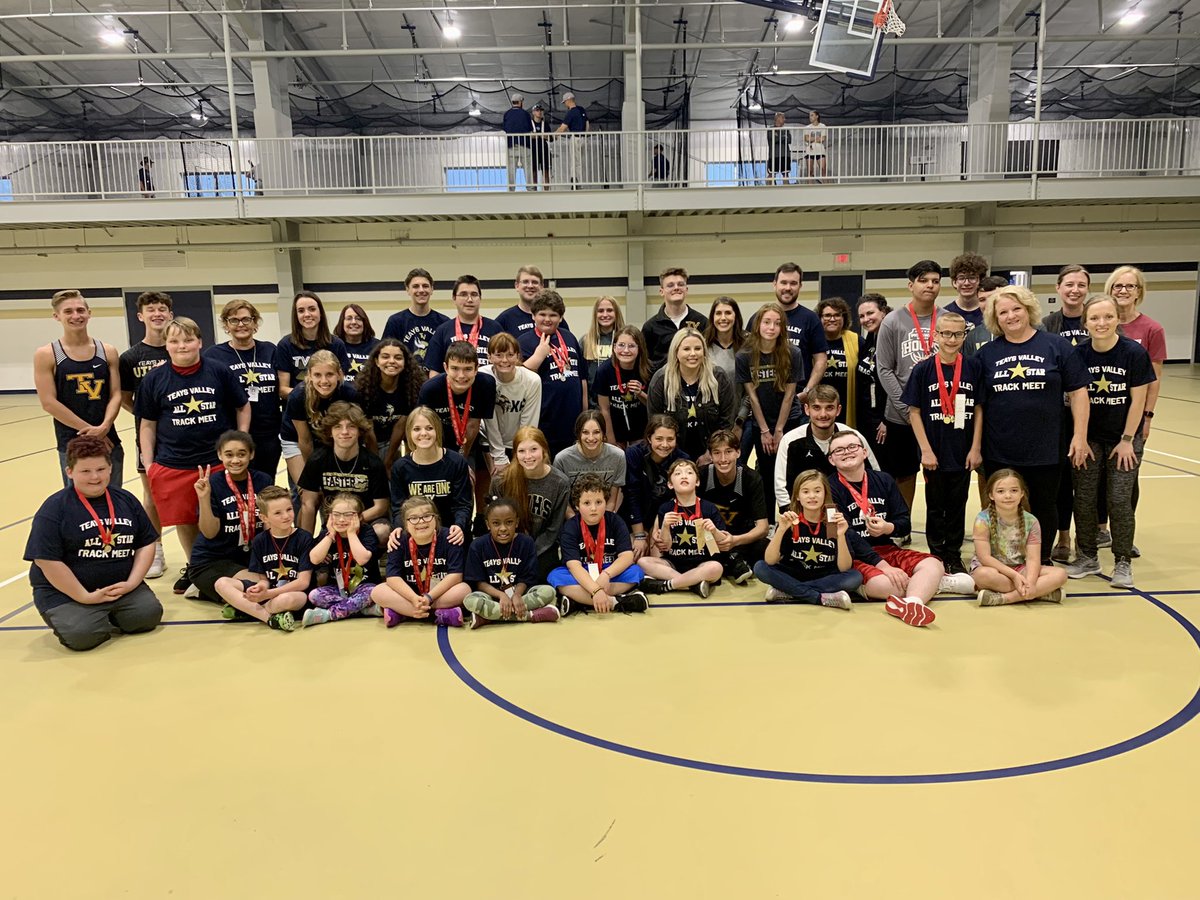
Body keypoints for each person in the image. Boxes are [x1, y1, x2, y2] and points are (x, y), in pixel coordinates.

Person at [976, 285, 1091, 565]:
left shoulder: (1056, 346)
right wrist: (976, 446)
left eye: (1016, 309)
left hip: (1046, 447)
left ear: (1028, 309)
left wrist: (1080, 436)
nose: (1011, 316)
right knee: (1004, 506)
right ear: (995, 319)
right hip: (1000, 448)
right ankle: (1005, 559)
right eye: (1003, 312)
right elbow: (979, 405)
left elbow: (1078, 392)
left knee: (1044, 505)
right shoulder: (986, 354)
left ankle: (1041, 560)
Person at [136, 317, 250, 595]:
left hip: (216, 461)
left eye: (188, 340)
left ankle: (226, 564)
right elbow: (147, 424)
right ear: (166, 345)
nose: (182, 346)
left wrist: (240, 442)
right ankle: (195, 566)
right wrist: (148, 463)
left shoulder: (218, 370)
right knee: (186, 520)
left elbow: (242, 406)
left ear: (199, 341)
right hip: (175, 462)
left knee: (223, 517)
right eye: (174, 341)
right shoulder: (154, 379)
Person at [24, 435, 162, 652]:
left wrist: (132, 583)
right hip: (68, 594)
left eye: (101, 469)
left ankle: (109, 613)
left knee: (146, 617)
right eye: (85, 471)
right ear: (70, 472)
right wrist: (84, 597)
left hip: (120, 586)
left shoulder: (125, 499)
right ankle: (90, 616)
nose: (95, 477)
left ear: (110, 468)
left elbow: (146, 543)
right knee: (83, 636)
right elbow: (46, 560)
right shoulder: (54, 508)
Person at [826, 431, 969, 628]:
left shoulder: (884, 480)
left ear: (864, 452)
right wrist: (883, 566)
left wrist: (888, 528)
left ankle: (912, 604)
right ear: (831, 459)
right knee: (884, 585)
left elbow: (904, 522)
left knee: (934, 563)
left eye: (852, 447)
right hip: (853, 557)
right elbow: (840, 534)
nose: (847, 452)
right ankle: (933, 584)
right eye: (839, 450)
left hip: (888, 550)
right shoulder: (828, 488)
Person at [1063, 295, 1154, 589]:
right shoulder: (1078, 354)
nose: (1101, 323)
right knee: (1084, 497)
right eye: (1094, 318)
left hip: (1123, 438)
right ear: (1085, 323)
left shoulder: (1133, 353)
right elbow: (1075, 397)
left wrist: (1127, 440)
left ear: (1117, 319)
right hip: (1089, 439)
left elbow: (1138, 400)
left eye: (1108, 317)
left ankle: (1123, 560)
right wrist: (1080, 438)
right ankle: (1087, 555)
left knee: (1118, 499)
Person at [901, 311, 983, 575]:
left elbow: (979, 409)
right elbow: (914, 412)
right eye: (946, 333)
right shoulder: (923, 369)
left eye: (957, 334)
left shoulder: (973, 367)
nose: (951, 339)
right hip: (934, 452)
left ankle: (953, 555)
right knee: (935, 506)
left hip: (962, 451)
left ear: (964, 336)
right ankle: (936, 555)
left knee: (958, 505)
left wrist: (975, 448)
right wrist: (925, 450)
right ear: (936, 335)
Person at [35, 289, 124, 489]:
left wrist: (104, 427)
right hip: (71, 442)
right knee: (78, 499)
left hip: (109, 439)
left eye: (80, 310)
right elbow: (48, 402)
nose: (76, 316)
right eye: (68, 311)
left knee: (114, 495)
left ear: (89, 313)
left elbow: (116, 394)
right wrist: (92, 433)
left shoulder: (107, 351)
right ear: (56, 316)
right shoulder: (47, 354)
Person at [875, 259, 945, 513]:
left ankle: (937, 526)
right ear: (910, 285)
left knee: (937, 474)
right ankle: (902, 523)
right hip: (901, 416)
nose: (930, 285)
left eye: (935, 281)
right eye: (923, 280)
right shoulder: (892, 321)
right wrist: (906, 407)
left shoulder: (947, 320)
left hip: (938, 413)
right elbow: (884, 369)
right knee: (903, 475)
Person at [1106, 264, 1166, 554]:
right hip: (1103, 413)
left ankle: (1124, 537)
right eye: (1118, 285)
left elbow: (1154, 379)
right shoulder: (1102, 322)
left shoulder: (1151, 329)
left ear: (1139, 291)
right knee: (1097, 481)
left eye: (1130, 286)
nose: (1123, 290)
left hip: (1132, 417)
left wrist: (1148, 417)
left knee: (1127, 477)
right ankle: (1100, 530)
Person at [119, 290, 172, 577]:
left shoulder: (179, 348)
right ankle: (155, 550)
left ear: (170, 314)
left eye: (162, 309)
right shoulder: (131, 357)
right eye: (151, 310)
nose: (157, 314)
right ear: (141, 316)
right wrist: (148, 417)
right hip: (149, 436)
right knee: (151, 493)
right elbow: (125, 398)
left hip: (185, 432)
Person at [187, 430, 274, 606]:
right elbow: (209, 533)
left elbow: (269, 525)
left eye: (241, 454)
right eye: (229, 455)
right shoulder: (212, 483)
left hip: (248, 558)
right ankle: (212, 590)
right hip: (213, 561)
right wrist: (204, 498)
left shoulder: (263, 480)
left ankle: (222, 596)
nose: (235, 460)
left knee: (280, 580)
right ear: (220, 455)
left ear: (251, 454)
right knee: (262, 587)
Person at [754, 469, 863, 608]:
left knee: (855, 577)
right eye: (805, 492)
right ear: (797, 496)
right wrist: (781, 530)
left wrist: (841, 535)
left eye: (817, 491)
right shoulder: (791, 520)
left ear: (825, 494)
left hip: (825, 575)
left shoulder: (833, 520)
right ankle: (819, 598)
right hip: (794, 572)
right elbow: (770, 560)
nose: (812, 496)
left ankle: (789, 590)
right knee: (760, 567)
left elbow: (844, 568)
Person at [1042, 265, 1092, 560]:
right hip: (1057, 414)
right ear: (1058, 288)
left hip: (1090, 410)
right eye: (1069, 284)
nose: (1075, 290)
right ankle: (1062, 535)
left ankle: (1093, 535)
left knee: (1086, 482)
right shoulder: (1048, 324)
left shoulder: (1097, 317)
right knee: (1060, 482)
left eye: (1081, 285)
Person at [213, 485, 312, 632]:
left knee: (287, 599)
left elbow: (303, 582)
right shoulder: (260, 540)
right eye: (278, 513)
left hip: (293, 593)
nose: (286, 516)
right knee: (221, 583)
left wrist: (268, 594)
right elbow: (264, 579)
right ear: (264, 517)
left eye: (289, 509)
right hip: (270, 592)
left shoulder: (304, 538)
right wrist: (260, 587)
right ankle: (269, 618)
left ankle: (245, 610)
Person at [548, 473, 648, 615]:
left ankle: (579, 600)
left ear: (606, 502)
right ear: (577, 505)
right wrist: (596, 590)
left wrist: (606, 574)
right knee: (556, 576)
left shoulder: (615, 521)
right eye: (587, 503)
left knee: (636, 572)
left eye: (599, 502)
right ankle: (616, 602)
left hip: (609, 570)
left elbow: (627, 556)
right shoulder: (570, 527)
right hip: (583, 571)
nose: (593, 508)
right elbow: (574, 566)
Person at [205, 299, 283, 479]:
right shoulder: (214, 355)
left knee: (265, 482)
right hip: (232, 435)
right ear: (226, 325)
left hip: (269, 434)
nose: (241, 324)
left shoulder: (270, 350)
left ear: (255, 322)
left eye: (246, 319)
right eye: (234, 320)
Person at [418, 341, 496, 517]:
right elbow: (423, 430)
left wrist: (461, 463)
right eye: (455, 368)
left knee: (469, 480)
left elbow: (473, 425)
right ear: (445, 367)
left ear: (477, 369)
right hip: (437, 444)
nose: (461, 375)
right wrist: (445, 463)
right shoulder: (430, 389)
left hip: (469, 443)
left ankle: (472, 523)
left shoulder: (486, 384)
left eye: (468, 369)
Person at [773, 385, 879, 511]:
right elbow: (781, 486)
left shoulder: (853, 437)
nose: (823, 414)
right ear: (807, 409)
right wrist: (790, 514)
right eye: (816, 408)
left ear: (838, 410)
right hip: (804, 513)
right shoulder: (790, 440)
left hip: (849, 511)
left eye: (829, 408)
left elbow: (875, 476)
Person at [297, 402, 391, 544]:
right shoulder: (318, 460)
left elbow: (381, 506)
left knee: (382, 531)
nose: (344, 432)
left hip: (365, 521)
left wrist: (353, 520)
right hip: (334, 523)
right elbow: (308, 504)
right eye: (338, 426)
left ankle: (374, 555)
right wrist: (306, 545)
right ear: (329, 431)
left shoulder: (373, 463)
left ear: (359, 431)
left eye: (351, 426)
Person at [972, 469, 1068, 606]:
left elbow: (1033, 558)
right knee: (982, 575)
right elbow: (984, 558)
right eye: (1001, 491)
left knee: (1061, 574)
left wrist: (1031, 582)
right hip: (994, 569)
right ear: (991, 495)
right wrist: (1015, 576)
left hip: (1020, 568)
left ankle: (1006, 598)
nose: (1008, 496)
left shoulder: (1031, 521)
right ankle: (1040, 593)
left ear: (1022, 493)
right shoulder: (982, 520)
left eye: (1014, 490)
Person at [372, 496, 470, 628]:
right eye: (413, 518)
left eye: (427, 516)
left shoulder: (450, 537)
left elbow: (456, 576)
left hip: (439, 595)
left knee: (464, 590)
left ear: (436, 518)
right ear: (405, 524)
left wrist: (429, 598)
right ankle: (438, 614)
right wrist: (413, 598)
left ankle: (405, 613)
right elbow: (392, 578)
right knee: (377, 591)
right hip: (409, 595)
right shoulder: (398, 540)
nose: (421, 522)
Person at [739, 301, 804, 497]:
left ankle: (791, 514)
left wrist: (779, 430)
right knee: (767, 475)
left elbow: (790, 395)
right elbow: (752, 396)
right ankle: (767, 516)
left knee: (791, 474)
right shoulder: (744, 356)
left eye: (777, 323)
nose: (771, 327)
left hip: (789, 420)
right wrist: (765, 431)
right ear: (758, 324)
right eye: (767, 322)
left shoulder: (793, 353)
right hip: (761, 422)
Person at [463, 497, 559, 627]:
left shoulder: (526, 542)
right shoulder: (477, 545)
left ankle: (490, 617)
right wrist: (501, 596)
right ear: (488, 524)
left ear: (517, 522)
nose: (503, 528)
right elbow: (479, 583)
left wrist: (517, 595)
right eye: (496, 523)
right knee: (469, 600)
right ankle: (529, 616)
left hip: (520, 596)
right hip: (492, 597)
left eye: (509, 522)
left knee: (549, 591)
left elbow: (527, 578)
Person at [640, 459, 728, 597]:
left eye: (689, 473)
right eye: (678, 473)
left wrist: (714, 531)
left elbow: (723, 542)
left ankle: (666, 585)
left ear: (697, 482)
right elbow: (665, 547)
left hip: (701, 564)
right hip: (673, 564)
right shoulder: (666, 509)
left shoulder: (709, 508)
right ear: (670, 484)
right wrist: (665, 526)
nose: (684, 476)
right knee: (642, 562)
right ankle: (693, 584)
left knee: (716, 568)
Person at [649, 327, 735, 463]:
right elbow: (654, 423)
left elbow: (726, 422)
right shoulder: (661, 380)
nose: (693, 354)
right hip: (671, 453)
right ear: (676, 352)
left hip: (711, 453)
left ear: (704, 351)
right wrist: (677, 459)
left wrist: (711, 453)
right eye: (686, 349)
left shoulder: (719, 377)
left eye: (698, 348)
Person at [389, 407, 472, 547]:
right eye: (417, 429)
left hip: (451, 532)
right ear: (409, 433)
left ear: (437, 430)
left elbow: (463, 504)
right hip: (417, 533)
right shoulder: (400, 467)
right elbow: (399, 508)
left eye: (429, 428)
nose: (423, 433)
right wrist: (397, 528)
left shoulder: (456, 462)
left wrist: (459, 526)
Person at [496, 426, 570, 580]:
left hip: (543, 549)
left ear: (544, 450)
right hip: (507, 546)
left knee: (539, 579)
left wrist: (529, 552)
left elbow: (554, 529)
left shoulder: (560, 483)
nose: (528, 456)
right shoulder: (501, 481)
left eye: (533, 449)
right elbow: (495, 521)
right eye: (521, 451)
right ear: (515, 454)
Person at [519, 289, 586, 455]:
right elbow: (518, 379)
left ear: (561, 317)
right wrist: (538, 357)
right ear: (533, 315)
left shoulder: (569, 337)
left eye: (553, 315)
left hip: (572, 421)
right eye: (542, 314)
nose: (547, 319)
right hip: (544, 422)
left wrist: (584, 414)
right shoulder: (524, 342)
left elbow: (582, 379)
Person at [751, 263, 828, 405]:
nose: (788, 288)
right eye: (783, 282)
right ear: (774, 284)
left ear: (800, 286)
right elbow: (747, 359)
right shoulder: (757, 318)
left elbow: (821, 360)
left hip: (798, 399)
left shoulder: (811, 319)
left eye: (793, 283)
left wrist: (807, 391)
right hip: (763, 400)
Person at [281, 351, 359, 488]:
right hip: (297, 441)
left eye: (329, 374)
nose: (324, 381)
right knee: (306, 490)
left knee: (332, 487)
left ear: (339, 374)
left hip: (331, 441)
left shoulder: (349, 393)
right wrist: (312, 473)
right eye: (317, 375)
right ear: (309, 376)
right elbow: (305, 441)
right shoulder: (298, 396)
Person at [303, 492, 382, 627]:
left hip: (365, 586)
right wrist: (331, 535)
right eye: (336, 514)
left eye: (348, 515)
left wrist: (351, 533)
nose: (341, 519)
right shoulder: (327, 534)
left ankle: (329, 615)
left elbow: (362, 559)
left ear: (359, 517)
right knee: (314, 595)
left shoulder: (366, 531)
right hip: (339, 589)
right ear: (330, 516)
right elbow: (314, 559)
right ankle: (362, 610)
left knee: (373, 592)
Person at [698, 429, 769, 580]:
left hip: (740, 539)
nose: (723, 459)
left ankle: (729, 561)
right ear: (710, 455)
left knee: (767, 547)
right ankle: (733, 561)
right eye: (717, 453)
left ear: (738, 452)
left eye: (728, 451)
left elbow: (763, 528)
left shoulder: (751, 478)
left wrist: (734, 541)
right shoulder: (702, 476)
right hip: (709, 538)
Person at [355, 338, 427, 472]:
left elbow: (400, 427)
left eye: (398, 358)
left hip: (395, 442)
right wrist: (377, 464)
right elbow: (368, 431)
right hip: (369, 441)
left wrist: (388, 461)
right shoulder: (363, 389)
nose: (392, 361)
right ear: (377, 361)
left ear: (405, 362)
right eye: (385, 357)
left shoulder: (412, 389)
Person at [623, 415, 689, 560]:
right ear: (649, 438)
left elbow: (679, 499)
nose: (665, 445)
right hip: (635, 518)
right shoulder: (634, 454)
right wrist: (639, 535)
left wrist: (659, 527)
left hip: (663, 517)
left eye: (670, 439)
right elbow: (631, 495)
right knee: (635, 554)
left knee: (657, 553)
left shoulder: (682, 460)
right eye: (659, 439)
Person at [479, 332, 541, 476]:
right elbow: (490, 420)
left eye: (510, 355)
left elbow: (528, 423)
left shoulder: (532, 380)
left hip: (517, 440)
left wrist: (522, 452)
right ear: (489, 357)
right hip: (488, 440)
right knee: (495, 482)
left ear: (518, 356)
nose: (505, 360)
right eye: (498, 355)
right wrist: (499, 456)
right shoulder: (483, 377)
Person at [274, 290, 351, 402]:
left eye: (312, 309)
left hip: (332, 408)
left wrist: (323, 393)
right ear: (296, 316)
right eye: (301, 311)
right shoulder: (285, 345)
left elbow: (340, 384)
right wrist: (312, 394)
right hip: (299, 407)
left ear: (320, 312)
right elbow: (283, 390)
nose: (307, 314)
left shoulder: (337, 344)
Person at [423, 275, 503, 372]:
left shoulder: (495, 328)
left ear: (480, 298)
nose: (469, 300)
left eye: (474, 294)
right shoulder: (443, 331)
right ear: (454, 298)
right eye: (463, 294)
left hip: (488, 382)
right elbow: (434, 371)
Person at [553, 410, 626, 510]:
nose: (591, 438)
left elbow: (612, 501)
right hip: (574, 515)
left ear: (603, 433)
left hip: (604, 514)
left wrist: (604, 519)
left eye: (596, 432)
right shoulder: (562, 459)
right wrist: (577, 520)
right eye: (585, 432)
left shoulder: (618, 456)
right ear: (578, 433)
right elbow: (563, 503)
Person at [641, 267, 708, 372]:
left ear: (686, 290)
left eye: (680, 284)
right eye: (670, 285)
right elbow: (644, 362)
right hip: (662, 381)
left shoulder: (702, 322)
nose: (676, 288)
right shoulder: (650, 327)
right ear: (661, 291)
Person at [595, 325, 651, 448]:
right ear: (614, 347)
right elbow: (604, 409)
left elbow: (654, 406)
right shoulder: (604, 371)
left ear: (640, 348)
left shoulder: (648, 369)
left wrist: (640, 393)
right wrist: (611, 441)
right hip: (616, 433)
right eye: (621, 345)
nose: (626, 350)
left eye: (631, 346)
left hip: (642, 433)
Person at [380, 267, 449, 366]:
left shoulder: (444, 322)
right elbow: (385, 354)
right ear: (408, 290)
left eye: (425, 286)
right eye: (416, 286)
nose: (421, 290)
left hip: (434, 375)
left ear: (432, 289)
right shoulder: (395, 321)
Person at [854, 293, 890, 461]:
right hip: (867, 417)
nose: (866, 319)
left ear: (883, 312)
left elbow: (896, 383)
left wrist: (887, 420)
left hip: (884, 420)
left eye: (870, 313)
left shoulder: (891, 338)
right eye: (862, 316)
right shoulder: (870, 337)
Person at [816, 297, 858, 424]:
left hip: (848, 404)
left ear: (844, 318)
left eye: (837, 315)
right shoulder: (813, 341)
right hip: (820, 406)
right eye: (827, 315)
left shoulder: (856, 341)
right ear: (820, 318)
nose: (832, 319)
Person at [581, 296, 622, 403]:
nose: (605, 314)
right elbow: (582, 377)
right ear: (595, 314)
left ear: (616, 313)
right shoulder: (585, 340)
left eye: (609, 310)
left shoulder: (624, 340)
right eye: (600, 311)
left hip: (618, 401)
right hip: (593, 403)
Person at [496, 265, 547, 339]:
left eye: (535, 282)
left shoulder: (552, 317)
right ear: (517, 286)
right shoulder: (504, 320)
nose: (530, 286)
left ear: (542, 287)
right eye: (525, 282)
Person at [942, 252, 990, 329]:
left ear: (980, 281)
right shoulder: (946, 313)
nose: (966, 283)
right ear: (954, 282)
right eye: (961, 278)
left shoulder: (989, 312)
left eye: (972, 278)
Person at [333, 303, 379, 381]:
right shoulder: (334, 345)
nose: (354, 322)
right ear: (342, 322)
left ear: (365, 323)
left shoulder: (377, 346)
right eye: (349, 318)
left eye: (358, 318)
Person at [965, 276, 1008, 358]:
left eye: (992, 298)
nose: (988, 304)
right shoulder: (973, 335)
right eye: (982, 300)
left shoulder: (1024, 329)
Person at [555, 91, 589, 188]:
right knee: (579, 162)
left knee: (574, 161)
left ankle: (574, 181)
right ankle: (579, 182)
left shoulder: (570, 113)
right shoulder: (581, 109)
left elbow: (562, 128)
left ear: (568, 100)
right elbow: (587, 124)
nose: (565, 104)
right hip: (583, 138)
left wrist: (553, 135)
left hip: (575, 138)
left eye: (565, 102)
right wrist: (585, 135)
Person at [503, 93, 533, 190]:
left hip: (511, 144)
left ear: (512, 102)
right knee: (528, 167)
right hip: (524, 143)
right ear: (520, 102)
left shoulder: (507, 114)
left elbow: (505, 128)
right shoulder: (525, 114)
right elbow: (529, 129)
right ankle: (530, 188)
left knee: (511, 168)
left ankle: (511, 189)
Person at [529, 102, 552, 190]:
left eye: (541, 110)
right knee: (533, 171)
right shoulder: (529, 124)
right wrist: (531, 136)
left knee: (546, 171)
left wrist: (545, 136)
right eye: (537, 110)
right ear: (533, 112)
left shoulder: (545, 124)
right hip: (533, 150)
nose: (539, 112)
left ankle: (546, 190)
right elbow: (526, 136)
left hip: (544, 149)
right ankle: (534, 189)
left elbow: (551, 138)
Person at [767, 111, 792, 185]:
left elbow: (789, 140)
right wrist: (783, 137)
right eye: (783, 118)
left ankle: (786, 189)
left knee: (785, 174)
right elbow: (774, 139)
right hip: (774, 155)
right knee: (772, 174)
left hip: (785, 155)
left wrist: (779, 137)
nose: (784, 119)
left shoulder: (786, 130)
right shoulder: (771, 129)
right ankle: (769, 189)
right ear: (777, 118)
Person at [803, 110, 828, 182]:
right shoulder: (807, 127)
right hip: (810, 151)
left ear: (817, 116)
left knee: (823, 170)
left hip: (820, 151)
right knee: (810, 172)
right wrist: (817, 138)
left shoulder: (822, 126)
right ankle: (810, 187)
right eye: (809, 116)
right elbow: (806, 139)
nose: (810, 117)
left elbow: (823, 139)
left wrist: (811, 139)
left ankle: (826, 186)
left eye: (812, 115)